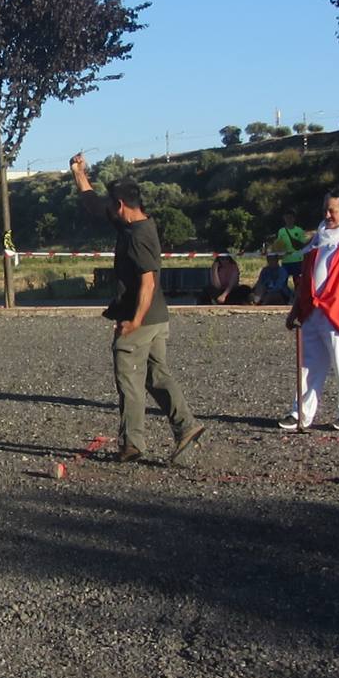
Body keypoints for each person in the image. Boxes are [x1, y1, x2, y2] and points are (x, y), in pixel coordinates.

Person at [70, 152, 205, 465]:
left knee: (128, 378)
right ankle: (186, 426)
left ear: (120, 206)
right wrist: (79, 174)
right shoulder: (134, 225)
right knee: (157, 375)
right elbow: (93, 205)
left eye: (111, 204)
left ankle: (132, 443)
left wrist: (132, 322)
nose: (107, 208)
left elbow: (148, 284)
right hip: (157, 317)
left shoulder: (137, 237)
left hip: (142, 316)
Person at [277, 193, 339, 432]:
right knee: (309, 363)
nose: (327, 215)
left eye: (332, 210)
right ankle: (300, 412)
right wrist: (295, 310)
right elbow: (305, 278)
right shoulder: (318, 239)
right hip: (313, 309)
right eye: (326, 210)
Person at [272, 209, 312, 288]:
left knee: (297, 281)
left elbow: (302, 245)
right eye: (286, 218)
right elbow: (279, 244)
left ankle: (297, 297)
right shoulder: (281, 231)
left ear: (294, 218)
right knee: (283, 280)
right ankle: (285, 297)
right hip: (286, 260)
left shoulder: (299, 230)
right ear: (284, 218)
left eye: (290, 218)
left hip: (297, 260)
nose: (288, 220)